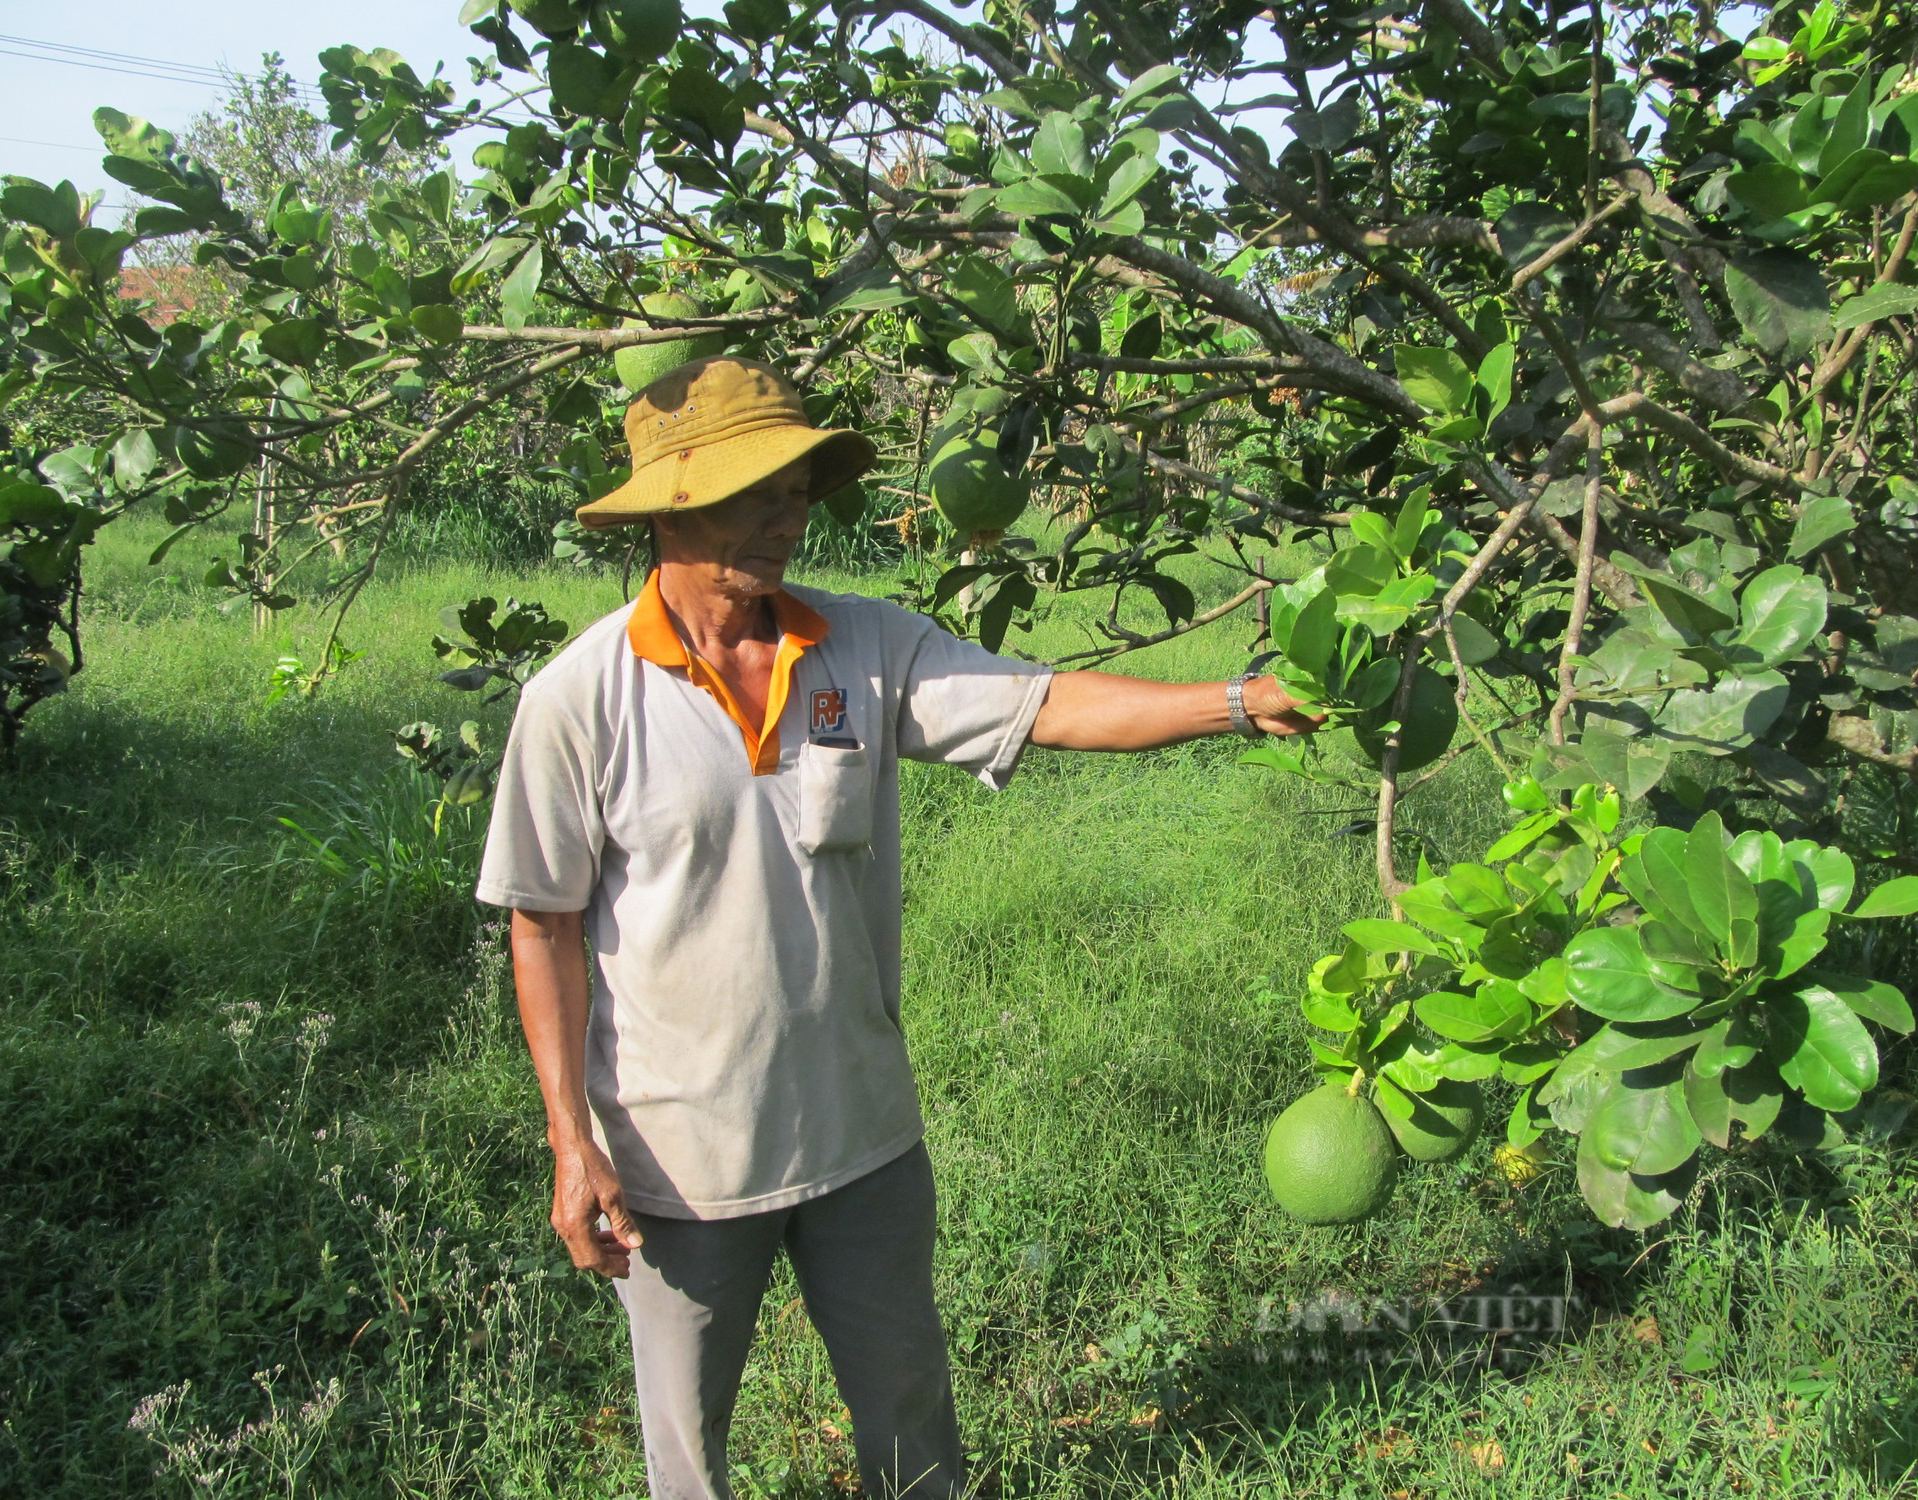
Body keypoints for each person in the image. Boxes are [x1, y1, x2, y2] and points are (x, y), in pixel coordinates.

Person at [475, 356, 1321, 1500]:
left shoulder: (862, 647)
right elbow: (544, 927)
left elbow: (1044, 704)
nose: (786, 520)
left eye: (796, 492)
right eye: (753, 494)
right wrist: (571, 1142)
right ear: (670, 507)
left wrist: (1230, 701)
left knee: (908, 1402)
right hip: (676, 1155)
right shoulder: (577, 700)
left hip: (858, 1130)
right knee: (686, 1442)